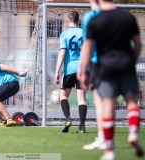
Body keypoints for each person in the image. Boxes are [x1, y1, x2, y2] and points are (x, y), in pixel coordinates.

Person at [77, 0, 144, 159]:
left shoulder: (95, 20)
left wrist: (83, 71)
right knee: (132, 102)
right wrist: (131, 60)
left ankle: (109, 151)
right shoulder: (127, 17)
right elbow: (138, 44)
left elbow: (87, 49)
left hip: (105, 68)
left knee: (107, 104)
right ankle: (133, 133)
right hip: (126, 65)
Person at [54, 10, 88, 133]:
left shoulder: (64, 34)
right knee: (81, 99)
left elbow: (62, 53)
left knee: (63, 96)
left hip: (69, 70)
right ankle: (82, 126)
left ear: (68, 20)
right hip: (83, 69)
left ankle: (68, 118)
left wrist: (57, 71)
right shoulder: (84, 33)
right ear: (78, 20)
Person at [78, 0, 106, 150]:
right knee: (124, 100)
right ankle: (133, 131)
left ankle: (103, 138)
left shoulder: (90, 17)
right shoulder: (120, 15)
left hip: (97, 62)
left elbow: (87, 45)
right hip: (120, 61)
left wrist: (82, 68)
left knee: (99, 100)